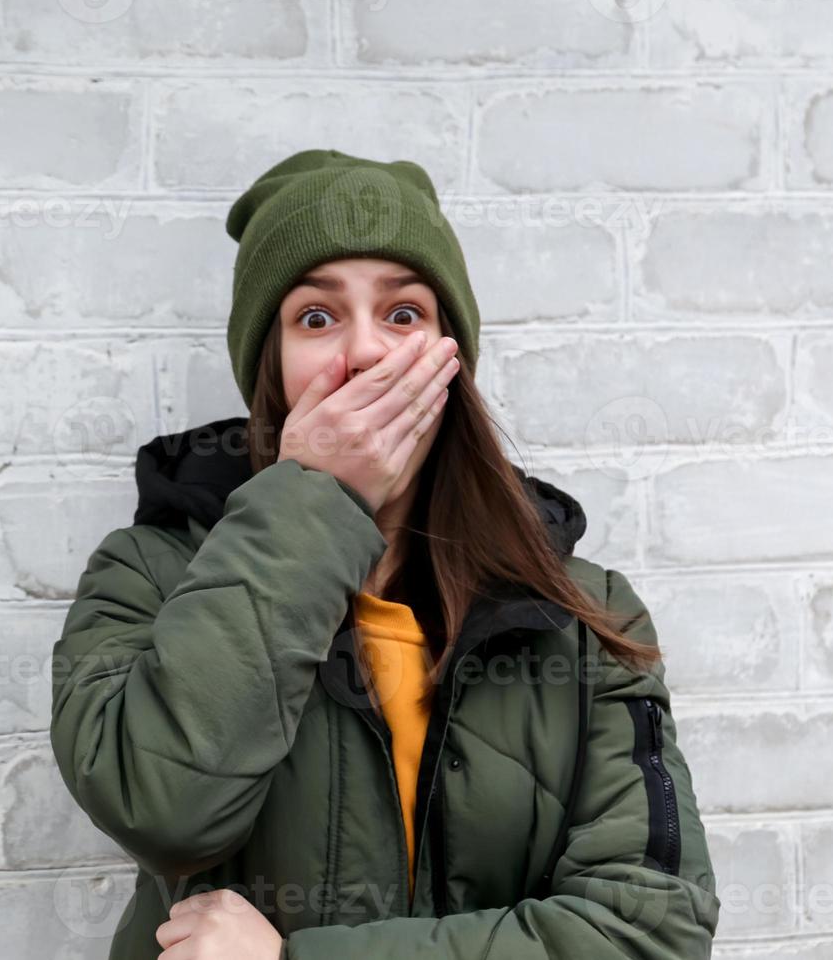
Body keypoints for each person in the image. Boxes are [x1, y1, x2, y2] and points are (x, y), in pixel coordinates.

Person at [50, 149, 720, 959]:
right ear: (271, 365)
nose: (365, 353)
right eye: (316, 317)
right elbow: (164, 809)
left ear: (452, 362)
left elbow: (648, 931)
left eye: (403, 314)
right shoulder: (148, 575)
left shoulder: (583, 617)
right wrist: (313, 503)